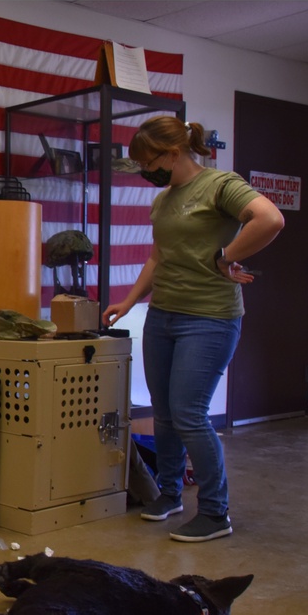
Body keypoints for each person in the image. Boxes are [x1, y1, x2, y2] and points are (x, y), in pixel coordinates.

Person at [103, 116, 284, 543]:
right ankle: (169, 494)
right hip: (163, 316)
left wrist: (226, 256)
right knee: (163, 414)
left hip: (209, 318)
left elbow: (269, 219)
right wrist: (129, 302)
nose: (147, 172)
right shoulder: (164, 200)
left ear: (172, 153)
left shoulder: (221, 185)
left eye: (149, 162)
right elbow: (158, 256)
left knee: (188, 414)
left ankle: (216, 513)